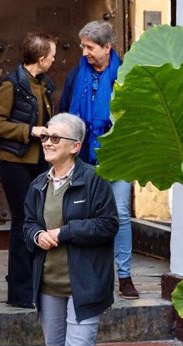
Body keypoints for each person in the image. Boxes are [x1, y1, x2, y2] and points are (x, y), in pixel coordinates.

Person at [23, 113, 118, 346]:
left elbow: (108, 225)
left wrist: (65, 233)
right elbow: (27, 226)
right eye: (45, 136)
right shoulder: (38, 185)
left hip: (85, 285)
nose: (47, 141)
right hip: (49, 284)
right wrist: (36, 235)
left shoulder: (95, 182)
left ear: (75, 147)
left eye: (55, 138)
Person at [59, 21, 139, 300]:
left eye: (90, 47)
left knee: (120, 214)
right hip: (82, 158)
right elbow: (64, 117)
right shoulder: (74, 76)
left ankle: (125, 276)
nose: (84, 53)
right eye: (83, 46)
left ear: (107, 47)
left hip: (119, 156)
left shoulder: (126, 76)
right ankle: (85, 275)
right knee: (83, 216)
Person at [0, 32, 57, 308]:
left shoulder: (44, 83)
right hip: (15, 163)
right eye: (51, 55)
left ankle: (34, 284)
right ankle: (19, 292)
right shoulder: (11, 84)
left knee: (36, 221)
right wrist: (30, 131)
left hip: (39, 162)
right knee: (21, 223)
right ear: (41, 59)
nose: (54, 59)